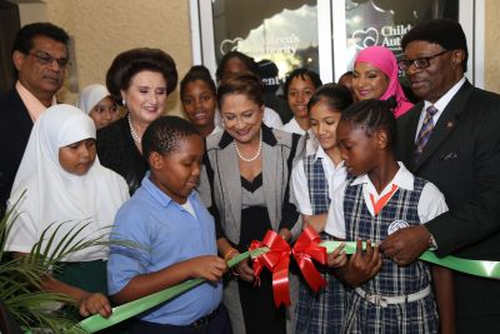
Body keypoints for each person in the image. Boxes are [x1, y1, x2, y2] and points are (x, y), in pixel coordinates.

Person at [380, 19, 500, 332]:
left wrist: (428, 234)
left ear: (456, 56)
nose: (412, 70)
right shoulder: (403, 123)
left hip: (476, 290)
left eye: (423, 61)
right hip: (414, 295)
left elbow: (495, 200)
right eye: (407, 63)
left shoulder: (491, 114)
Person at [325, 99, 454, 333]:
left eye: (348, 146)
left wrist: (448, 329)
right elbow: (337, 256)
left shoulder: (426, 194)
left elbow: (442, 269)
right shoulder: (345, 193)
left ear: (380, 139)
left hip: (412, 317)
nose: (342, 155)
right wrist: (348, 274)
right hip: (360, 315)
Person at [198, 74, 305, 334]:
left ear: (262, 110)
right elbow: (206, 211)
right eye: (230, 117)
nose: (239, 124)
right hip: (234, 264)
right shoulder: (207, 150)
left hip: (282, 257)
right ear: (220, 116)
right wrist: (229, 254)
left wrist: (279, 242)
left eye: (247, 114)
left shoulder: (290, 145)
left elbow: (297, 204)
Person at [107, 116, 231, 334]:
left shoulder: (192, 196)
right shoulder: (135, 214)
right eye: (187, 163)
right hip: (167, 328)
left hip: (214, 321)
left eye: (199, 162)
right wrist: (188, 268)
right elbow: (121, 290)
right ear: (157, 161)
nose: (196, 171)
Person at [5, 104, 129, 319]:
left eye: (90, 144)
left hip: (116, 288)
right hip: (58, 299)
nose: (85, 154)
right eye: (74, 146)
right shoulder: (29, 195)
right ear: (51, 146)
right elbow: (28, 270)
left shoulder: (114, 182)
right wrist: (79, 297)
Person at [291, 84, 353, 334]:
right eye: (314, 123)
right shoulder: (304, 168)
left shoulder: (363, 163)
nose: (321, 131)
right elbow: (308, 226)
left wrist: (325, 218)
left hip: (363, 270)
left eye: (329, 122)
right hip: (321, 274)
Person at [0, 22, 69, 217]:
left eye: (62, 62)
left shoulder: (72, 117)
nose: (55, 68)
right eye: (44, 59)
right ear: (19, 60)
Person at [97, 48, 178, 195]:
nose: (153, 100)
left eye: (160, 92)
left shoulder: (179, 137)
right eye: (144, 91)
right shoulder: (103, 141)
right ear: (123, 93)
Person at [215, 51, 283, 129]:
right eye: (230, 76)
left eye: (242, 76)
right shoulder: (214, 118)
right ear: (220, 80)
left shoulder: (270, 118)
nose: (236, 81)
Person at [352, 46, 413, 118]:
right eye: (356, 76)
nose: (360, 84)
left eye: (371, 76)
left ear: (390, 79)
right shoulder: (354, 114)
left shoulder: (409, 115)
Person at [281, 68, 322, 136]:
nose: (300, 99)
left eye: (307, 92)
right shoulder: (279, 137)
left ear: (318, 94)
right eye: (293, 93)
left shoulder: (327, 134)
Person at [180, 65, 220, 137]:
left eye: (205, 98)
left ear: (215, 99)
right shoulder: (178, 145)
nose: (198, 106)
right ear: (183, 105)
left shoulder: (233, 141)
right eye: (189, 101)